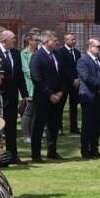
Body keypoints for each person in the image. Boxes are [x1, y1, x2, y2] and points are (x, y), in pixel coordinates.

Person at [28, 31, 67, 162]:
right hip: (43, 97)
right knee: (39, 125)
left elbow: (62, 74)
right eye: (54, 40)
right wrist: (49, 93)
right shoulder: (37, 56)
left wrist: (61, 91)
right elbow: (36, 78)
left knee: (54, 125)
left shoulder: (58, 54)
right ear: (46, 42)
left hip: (57, 96)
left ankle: (52, 150)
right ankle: (36, 154)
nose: (57, 42)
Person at [0, 30, 24, 167]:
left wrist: (24, 94)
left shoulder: (16, 53)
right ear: (3, 40)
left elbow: (19, 75)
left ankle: (13, 154)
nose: (15, 40)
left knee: (11, 126)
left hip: (12, 96)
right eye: (13, 38)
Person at [77, 38, 100, 159]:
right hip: (89, 96)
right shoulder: (83, 61)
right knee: (88, 125)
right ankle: (85, 150)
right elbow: (87, 77)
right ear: (90, 48)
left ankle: (94, 149)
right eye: (98, 47)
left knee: (98, 125)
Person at [59, 32, 82, 135]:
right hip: (64, 83)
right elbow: (62, 69)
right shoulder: (61, 52)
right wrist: (71, 80)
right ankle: (59, 127)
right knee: (61, 106)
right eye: (72, 39)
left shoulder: (77, 52)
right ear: (66, 40)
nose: (74, 41)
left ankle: (74, 126)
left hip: (76, 83)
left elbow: (78, 66)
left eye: (74, 39)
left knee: (74, 106)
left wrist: (77, 79)